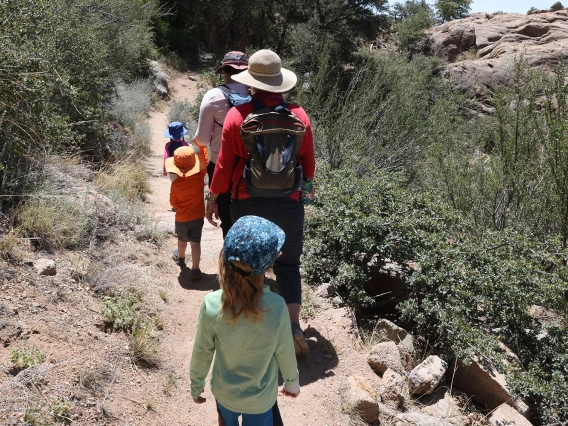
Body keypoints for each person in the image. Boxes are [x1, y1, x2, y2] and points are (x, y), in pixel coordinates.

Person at [206, 49, 315, 356]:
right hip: (289, 202)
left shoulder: (236, 116)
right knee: (289, 266)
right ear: (281, 84)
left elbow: (225, 166)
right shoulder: (300, 116)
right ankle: (293, 326)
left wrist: (213, 197)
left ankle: (245, 326)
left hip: (247, 202)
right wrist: (305, 190)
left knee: (245, 265)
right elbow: (309, 165)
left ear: (251, 84)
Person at [190, 215, 300, 426]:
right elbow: (285, 350)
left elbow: (202, 350)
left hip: (225, 394)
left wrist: (196, 385)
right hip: (261, 399)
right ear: (267, 266)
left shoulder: (212, 304)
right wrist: (292, 383)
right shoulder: (277, 307)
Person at [193, 51, 249, 238]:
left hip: (220, 166)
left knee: (228, 217)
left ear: (223, 71)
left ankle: (231, 262)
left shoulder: (214, 97)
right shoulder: (258, 96)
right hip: (253, 167)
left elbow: (201, 140)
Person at [165, 145, 208, 280]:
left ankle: (181, 259)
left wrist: (179, 207)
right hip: (198, 216)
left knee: (182, 239)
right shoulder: (200, 177)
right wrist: (202, 147)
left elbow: (173, 202)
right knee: (196, 242)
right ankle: (195, 269)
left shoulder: (176, 184)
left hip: (182, 217)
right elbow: (205, 160)